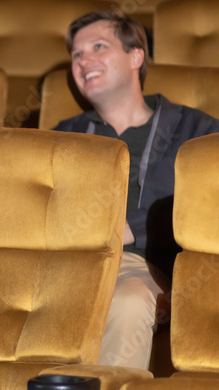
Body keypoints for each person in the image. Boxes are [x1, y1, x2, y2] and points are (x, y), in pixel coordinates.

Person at [54, 11, 219, 370]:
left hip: (151, 263)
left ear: (136, 56)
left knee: (128, 297)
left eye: (98, 46)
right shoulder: (61, 136)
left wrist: (132, 232)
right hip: (70, 264)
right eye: (77, 54)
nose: (84, 61)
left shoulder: (198, 130)